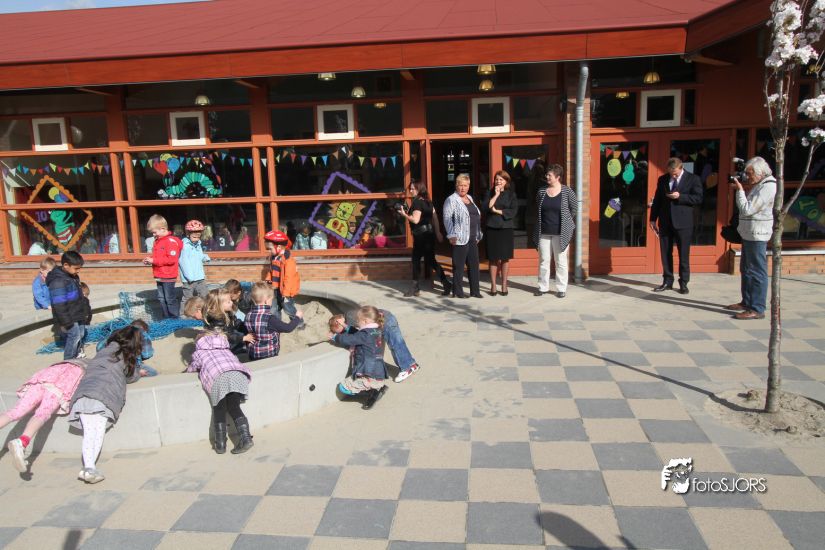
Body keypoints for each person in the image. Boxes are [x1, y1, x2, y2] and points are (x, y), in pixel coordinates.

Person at [67, 325, 144, 483]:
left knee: (90, 433)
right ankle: (89, 468)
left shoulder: (103, 351)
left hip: (84, 394)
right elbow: (130, 377)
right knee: (97, 433)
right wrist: (139, 373)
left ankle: (89, 467)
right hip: (103, 397)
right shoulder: (124, 356)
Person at [1, 359, 87, 473]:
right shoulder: (88, 368)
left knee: (16, 411)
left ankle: (20, 443)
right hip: (63, 384)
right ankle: (22, 442)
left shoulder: (66, 363)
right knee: (42, 413)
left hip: (44, 377)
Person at [187, 330, 254, 454]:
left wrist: (188, 369)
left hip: (218, 377)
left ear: (199, 342)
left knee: (219, 409)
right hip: (237, 374)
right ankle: (246, 439)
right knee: (234, 407)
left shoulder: (199, 353)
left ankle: (220, 444)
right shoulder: (225, 348)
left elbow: (193, 367)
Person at [727, 156, 777, 320]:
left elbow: (747, 209)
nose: (747, 177)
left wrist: (740, 191)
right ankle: (747, 302)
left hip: (757, 234)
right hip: (749, 233)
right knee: (746, 269)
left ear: (760, 173)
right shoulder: (759, 185)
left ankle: (757, 308)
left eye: (750, 174)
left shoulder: (768, 187)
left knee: (756, 271)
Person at [649, 157, 704, 294]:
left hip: (684, 222)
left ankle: (683, 283)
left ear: (681, 168)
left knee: (683, 254)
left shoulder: (693, 179)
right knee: (665, 253)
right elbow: (658, 200)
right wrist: (652, 219)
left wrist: (680, 196)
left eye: (675, 174)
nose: (673, 176)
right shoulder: (663, 179)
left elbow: (698, 198)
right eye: (670, 173)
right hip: (665, 221)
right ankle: (667, 281)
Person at [331, 308, 420, 383]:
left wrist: (338, 336)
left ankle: (407, 367)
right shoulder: (350, 314)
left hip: (386, 320)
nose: (342, 332)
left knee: (395, 344)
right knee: (397, 342)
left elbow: (357, 335)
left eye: (339, 331)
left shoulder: (349, 317)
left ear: (338, 322)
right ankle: (411, 364)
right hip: (386, 317)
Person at [397, 180, 451, 297]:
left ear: (419, 189)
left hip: (421, 236)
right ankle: (446, 283)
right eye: (410, 189)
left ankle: (415, 288)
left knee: (416, 260)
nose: (411, 191)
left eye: (413, 189)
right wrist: (438, 232)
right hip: (429, 234)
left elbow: (416, 220)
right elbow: (435, 217)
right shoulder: (428, 201)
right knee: (431, 260)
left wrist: (404, 214)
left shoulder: (417, 202)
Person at [329, 305, 388, 410]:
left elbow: (350, 339)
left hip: (368, 372)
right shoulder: (377, 330)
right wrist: (345, 326)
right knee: (369, 383)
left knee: (343, 387)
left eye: (358, 320)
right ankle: (376, 388)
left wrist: (335, 337)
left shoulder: (364, 335)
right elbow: (357, 333)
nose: (356, 323)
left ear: (365, 321)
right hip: (378, 370)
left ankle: (373, 393)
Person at [535, 164, 578, 298]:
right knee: (544, 260)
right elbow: (538, 206)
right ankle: (543, 287)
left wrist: (567, 220)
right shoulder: (542, 191)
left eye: (550, 175)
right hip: (544, 231)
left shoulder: (567, 191)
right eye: (547, 174)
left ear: (558, 177)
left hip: (560, 232)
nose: (547, 177)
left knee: (560, 261)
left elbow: (574, 207)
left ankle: (561, 288)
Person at [443, 173, 483, 299]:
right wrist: (451, 235)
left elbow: (476, 216)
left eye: (465, 185)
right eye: (460, 185)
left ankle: (475, 291)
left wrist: (478, 234)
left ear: (469, 186)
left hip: (473, 237)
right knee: (459, 266)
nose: (463, 188)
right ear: (456, 185)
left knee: (474, 265)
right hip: (460, 237)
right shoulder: (451, 199)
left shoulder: (470, 198)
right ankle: (458, 292)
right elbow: (447, 218)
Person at [244, 282, 304, 360]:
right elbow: (288, 328)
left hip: (253, 354)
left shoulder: (248, 315)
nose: (272, 302)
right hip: (268, 355)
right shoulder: (270, 318)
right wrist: (297, 317)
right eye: (271, 299)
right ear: (266, 301)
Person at [481, 170, 518, 296]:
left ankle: (504, 285)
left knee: (505, 258)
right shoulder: (489, 192)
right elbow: (485, 207)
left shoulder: (511, 194)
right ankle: (493, 285)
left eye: (501, 179)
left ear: (506, 181)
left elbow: (513, 211)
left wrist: (498, 211)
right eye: (497, 179)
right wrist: (496, 195)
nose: (498, 181)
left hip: (506, 228)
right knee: (493, 258)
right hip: (492, 228)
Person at [46, 251, 87, 360]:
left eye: (79, 268)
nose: (78, 271)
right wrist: (66, 322)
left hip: (76, 312)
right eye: (76, 268)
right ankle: (69, 359)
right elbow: (59, 305)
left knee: (80, 334)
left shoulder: (72, 276)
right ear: (66, 265)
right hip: (68, 317)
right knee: (74, 336)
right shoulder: (58, 282)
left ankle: (77, 353)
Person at [143, 214, 183, 319]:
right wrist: (150, 260)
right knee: (161, 298)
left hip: (168, 275)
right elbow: (159, 257)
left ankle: (174, 318)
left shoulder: (170, 242)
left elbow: (171, 259)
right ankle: (166, 317)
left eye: (154, 232)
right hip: (159, 274)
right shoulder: (157, 241)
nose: (153, 235)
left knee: (169, 298)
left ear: (163, 229)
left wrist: (154, 260)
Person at [203, 288, 254, 354]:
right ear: (218, 305)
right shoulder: (216, 320)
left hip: (230, 336)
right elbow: (226, 335)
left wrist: (247, 327)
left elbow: (236, 323)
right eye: (228, 302)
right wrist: (243, 338)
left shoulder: (227, 313)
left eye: (231, 300)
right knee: (245, 347)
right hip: (223, 344)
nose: (232, 302)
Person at [264, 230, 301, 320]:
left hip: (285, 291)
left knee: (288, 309)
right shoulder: (274, 257)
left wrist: (286, 293)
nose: (269, 251)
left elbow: (289, 278)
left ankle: (299, 322)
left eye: (270, 249)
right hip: (275, 288)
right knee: (273, 309)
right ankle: (277, 323)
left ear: (279, 247)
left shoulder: (288, 260)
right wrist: (268, 279)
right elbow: (271, 270)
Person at [179, 219, 211, 316]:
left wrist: (205, 257)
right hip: (189, 279)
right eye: (194, 236)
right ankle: (183, 315)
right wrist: (189, 277)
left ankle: (207, 313)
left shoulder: (198, 244)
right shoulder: (185, 246)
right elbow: (183, 261)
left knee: (205, 295)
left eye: (198, 235)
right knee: (188, 298)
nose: (196, 237)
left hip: (200, 276)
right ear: (188, 234)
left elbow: (199, 256)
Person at [78, 282, 93, 358]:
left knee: (81, 334)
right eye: (85, 295)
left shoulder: (85, 300)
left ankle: (80, 347)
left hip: (85, 321)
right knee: (79, 335)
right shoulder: (83, 300)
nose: (86, 297)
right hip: (83, 321)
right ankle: (79, 349)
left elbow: (88, 311)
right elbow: (87, 312)